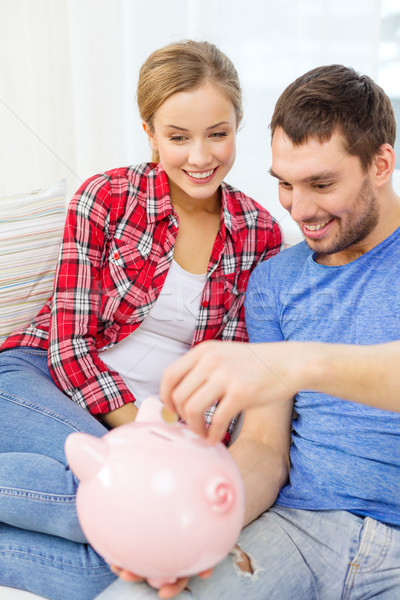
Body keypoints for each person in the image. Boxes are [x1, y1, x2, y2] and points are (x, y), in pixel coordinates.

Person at [0, 40, 281, 600]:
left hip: (159, 432)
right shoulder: (104, 198)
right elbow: (68, 346)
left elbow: (228, 371)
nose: (200, 156)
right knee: (130, 510)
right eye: (178, 137)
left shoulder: (260, 232)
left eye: (218, 134)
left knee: (128, 558)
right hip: (40, 378)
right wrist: (146, 438)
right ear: (150, 132)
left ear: (239, 125)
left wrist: (183, 441)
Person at [110, 64, 400, 599]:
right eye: (285, 185)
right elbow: (265, 447)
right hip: (299, 531)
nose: (300, 210)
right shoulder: (275, 280)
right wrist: (198, 526)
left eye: (322, 183)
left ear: (380, 163)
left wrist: (298, 363)